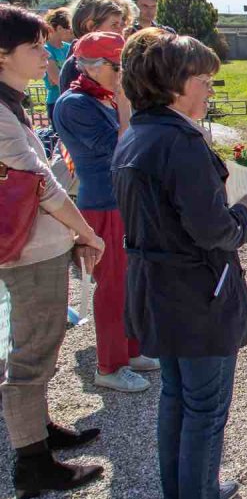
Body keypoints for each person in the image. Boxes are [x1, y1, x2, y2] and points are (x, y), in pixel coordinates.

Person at [112, 29, 247, 499]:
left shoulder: (138, 133)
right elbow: (214, 229)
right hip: (198, 292)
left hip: (161, 289)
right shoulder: (180, 143)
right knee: (205, 406)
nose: (209, 90)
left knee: (178, 397)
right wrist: (244, 213)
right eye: (203, 80)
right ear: (175, 84)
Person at [0, 5, 106, 499]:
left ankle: (39, 429)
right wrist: (87, 231)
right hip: (28, 250)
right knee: (31, 353)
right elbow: (39, 185)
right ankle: (33, 463)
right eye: (35, 48)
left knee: (44, 337)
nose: (47, 55)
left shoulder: (12, 102)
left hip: (40, 243)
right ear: (3, 56)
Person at [53, 32, 157, 393]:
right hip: (103, 205)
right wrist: (127, 105)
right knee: (112, 288)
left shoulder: (104, 98)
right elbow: (122, 148)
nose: (123, 74)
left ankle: (131, 350)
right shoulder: (74, 104)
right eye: (118, 67)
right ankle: (109, 365)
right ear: (94, 67)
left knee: (131, 283)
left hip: (124, 201)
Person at [59, 0, 131, 94]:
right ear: (91, 26)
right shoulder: (76, 66)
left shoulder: (106, 59)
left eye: (121, 25)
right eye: (114, 25)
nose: (121, 31)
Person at [43, 8, 73, 120]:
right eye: (69, 29)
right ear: (59, 28)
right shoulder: (46, 49)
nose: (71, 33)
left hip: (72, 100)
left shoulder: (68, 47)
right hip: (55, 101)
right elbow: (57, 79)